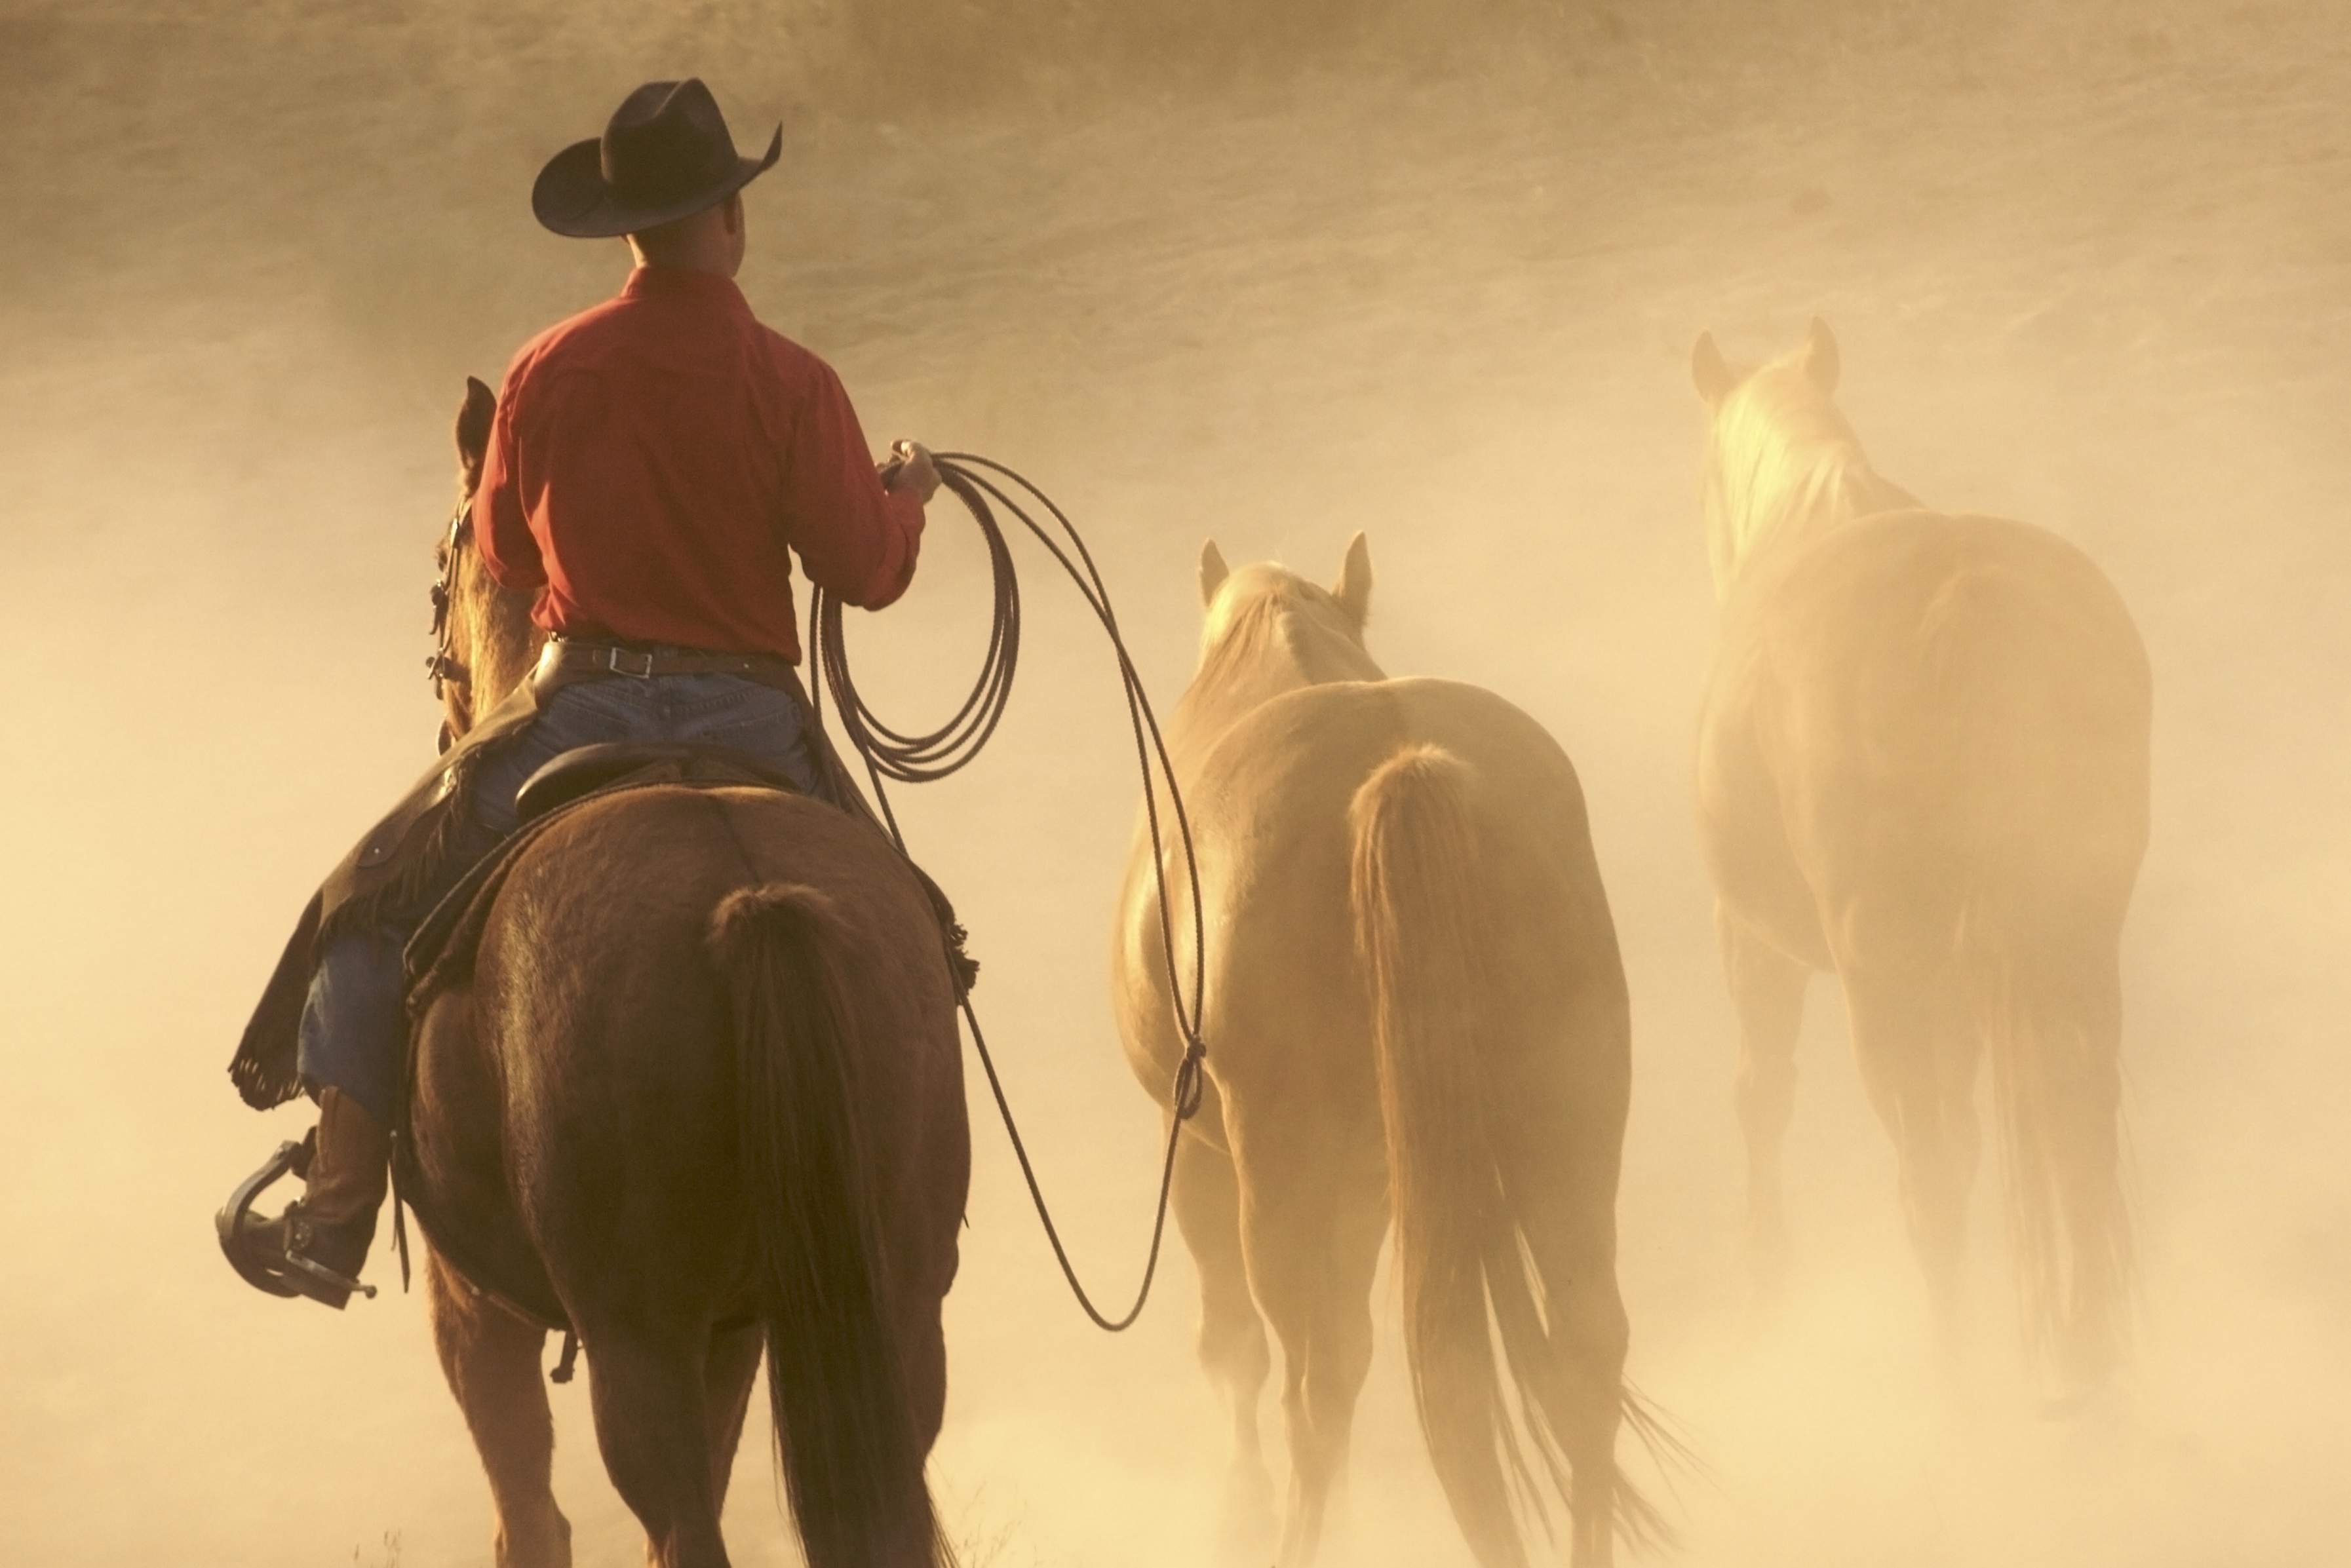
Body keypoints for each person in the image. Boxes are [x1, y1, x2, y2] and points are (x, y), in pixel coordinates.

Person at [227, 79, 939, 1305]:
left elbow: (500, 555)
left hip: (583, 708)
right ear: (730, 219)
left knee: (363, 911)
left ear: (625, 228)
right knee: (920, 932)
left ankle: (337, 1211)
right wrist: (907, 499)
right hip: (756, 717)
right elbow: (864, 569)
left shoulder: (548, 370)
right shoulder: (795, 382)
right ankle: (916, 1201)